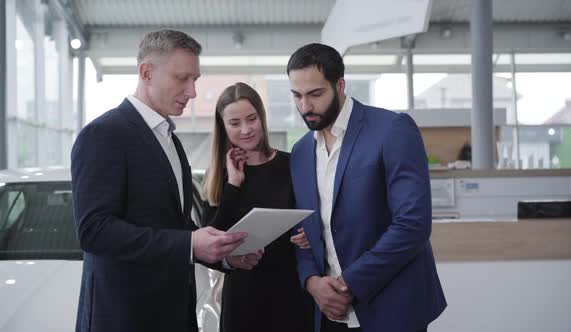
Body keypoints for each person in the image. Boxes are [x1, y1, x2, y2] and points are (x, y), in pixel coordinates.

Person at [71, 30, 261, 332]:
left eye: (195, 80)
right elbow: (94, 231)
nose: (193, 92)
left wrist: (222, 257)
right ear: (147, 72)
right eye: (181, 78)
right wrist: (189, 244)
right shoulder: (103, 134)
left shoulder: (170, 140)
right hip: (125, 317)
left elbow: (175, 225)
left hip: (174, 313)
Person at [287, 43, 447, 332]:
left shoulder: (392, 129)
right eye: (296, 96)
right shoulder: (299, 152)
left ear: (340, 85)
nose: (305, 107)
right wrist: (312, 283)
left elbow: (413, 224)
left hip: (392, 309)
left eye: (315, 94)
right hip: (328, 312)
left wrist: (348, 283)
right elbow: (304, 233)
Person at [201, 82, 313, 332]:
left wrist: (311, 235)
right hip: (243, 298)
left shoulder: (292, 164)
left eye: (251, 119)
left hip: (291, 292)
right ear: (223, 127)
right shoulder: (217, 176)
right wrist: (234, 184)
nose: (246, 130)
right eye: (235, 123)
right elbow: (209, 245)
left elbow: (315, 219)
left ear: (261, 118)